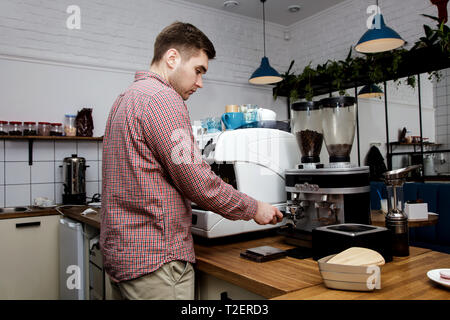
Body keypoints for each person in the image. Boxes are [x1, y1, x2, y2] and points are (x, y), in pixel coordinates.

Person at [100, 21, 283, 300]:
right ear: (172, 58)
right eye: (198, 70)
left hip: (124, 258)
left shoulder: (124, 99)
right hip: (157, 264)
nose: (200, 82)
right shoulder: (164, 100)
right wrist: (254, 207)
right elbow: (199, 183)